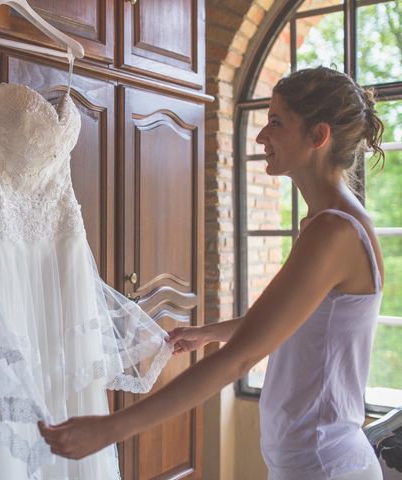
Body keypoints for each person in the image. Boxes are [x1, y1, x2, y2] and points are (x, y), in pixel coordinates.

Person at [38, 66, 387, 480]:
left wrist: (112, 428)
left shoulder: (333, 231)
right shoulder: (329, 224)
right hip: (311, 459)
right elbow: (296, 322)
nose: (261, 137)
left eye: (276, 122)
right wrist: (212, 332)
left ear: (318, 136)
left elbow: (241, 360)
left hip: (323, 466)